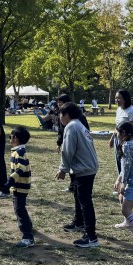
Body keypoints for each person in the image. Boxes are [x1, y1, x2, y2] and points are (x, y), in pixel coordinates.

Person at [55, 102, 100, 249]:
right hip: (87, 167)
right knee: (79, 196)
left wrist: (63, 169)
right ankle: (79, 223)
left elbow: (67, 150)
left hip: (84, 168)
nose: (59, 118)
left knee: (85, 201)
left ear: (66, 115)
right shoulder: (79, 124)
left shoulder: (72, 126)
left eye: (60, 115)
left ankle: (91, 237)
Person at [5, 126, 34, 248]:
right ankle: (29, 227)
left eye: (10, 136)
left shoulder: (19, 152)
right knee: (21, 208)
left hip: (20, 187)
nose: (9, 139)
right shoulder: (18, 151)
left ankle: (28, 237)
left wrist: (10, 181)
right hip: (20, 186)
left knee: (19, 210)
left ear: (15, 138)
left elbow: (21, 168)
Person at [110, 89, 133, 175]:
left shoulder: (131, 111)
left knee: (125, 162)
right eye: (116, 98)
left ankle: (125, 183)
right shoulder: (118, 109)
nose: (117, 100)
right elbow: (117, 126)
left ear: (125, 99)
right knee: (118, 161)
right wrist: (112, 138)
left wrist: (124, 141)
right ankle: (120, 180)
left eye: (119, 98)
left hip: (126, 141)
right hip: (117, 139)